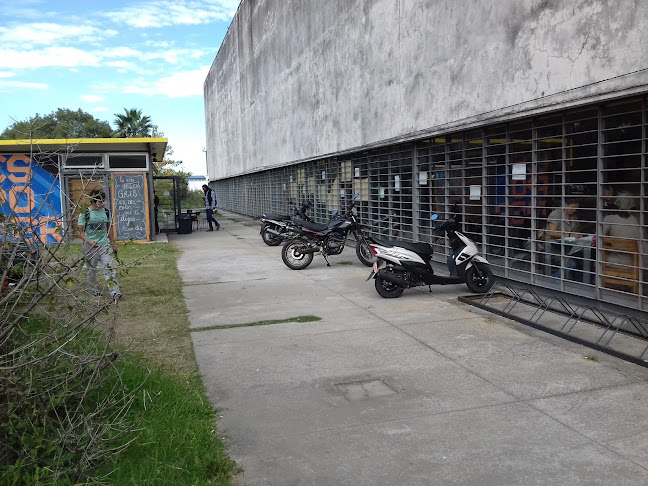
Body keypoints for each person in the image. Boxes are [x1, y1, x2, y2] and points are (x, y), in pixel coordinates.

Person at [77, 190, 121, 301]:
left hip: (104, 243)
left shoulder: (106, 212)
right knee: (91, 270)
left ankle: (114, 292)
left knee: (109, 268)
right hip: (90, 245)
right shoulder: (85, 213)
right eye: (100, 201)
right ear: (93, 201)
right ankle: (95, 290)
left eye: (103, 200)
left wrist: (113, 244)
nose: (102, 203)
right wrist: (89, 241)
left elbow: (109, 228)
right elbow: (79, 232)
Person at [601, 191, 641, 267]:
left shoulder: (609, 218)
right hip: (637, 262)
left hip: (618, 261)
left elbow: (599, 237)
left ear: (617, 203)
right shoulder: (635, 220)